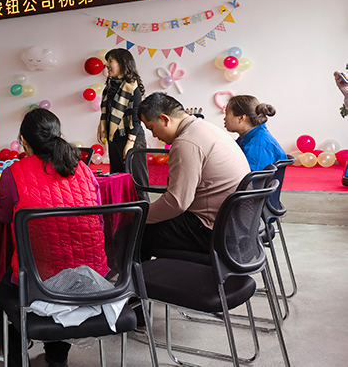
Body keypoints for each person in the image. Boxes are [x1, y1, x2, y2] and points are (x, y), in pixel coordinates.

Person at [0, 108, 106, 366]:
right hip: (91, 279)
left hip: (38, 282)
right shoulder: (84, 170)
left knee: (1, 292)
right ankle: (57, 358)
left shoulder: (14, 173)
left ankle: (16, 358)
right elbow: (98, 219)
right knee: (58, 264)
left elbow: (4, 216)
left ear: (24, 142)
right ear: (60, 136)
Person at [138, 92, 250, 259]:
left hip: (213, 231)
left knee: (131, 231)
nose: (154, 135)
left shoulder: (186, 142)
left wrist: (140, 215)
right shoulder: (206, 128)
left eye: (151, 128)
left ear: (165, 119)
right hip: (236, 227)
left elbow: (177, 203)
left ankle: (137, 276)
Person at [98, 48, 149, 200]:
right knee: (118, 180)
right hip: (115, 139)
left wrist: (129, 144)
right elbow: (106, 112)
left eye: (110, 61)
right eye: (107, 61)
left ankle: (144, 211)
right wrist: (101, 128)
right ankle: (123, 212)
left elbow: (136, 118)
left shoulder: (133, 88)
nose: (107, 65)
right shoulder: (109, 87)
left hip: (132, 139)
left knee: (137, 182)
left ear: (122, 63)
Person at [224, 95, 287, 171]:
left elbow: (249, 176)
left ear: (241, 118)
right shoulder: (249, 137)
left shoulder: (257, 144)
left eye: (226, 114)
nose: (224, 118)